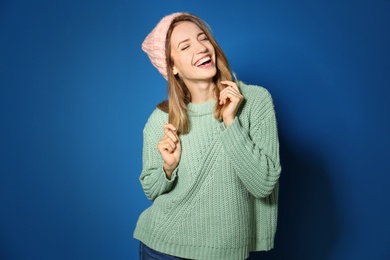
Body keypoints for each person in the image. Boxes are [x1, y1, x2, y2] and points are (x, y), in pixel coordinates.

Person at [134, 12, 281, 260]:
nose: (201, 48)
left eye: (203, 38)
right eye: (185, 46)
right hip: (163, 249)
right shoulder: (162, 118)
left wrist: (230, 121)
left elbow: (263, 183)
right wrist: (168, 169)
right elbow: (150, 188)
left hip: (225, 251)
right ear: (172, 66)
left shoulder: (255, 101)